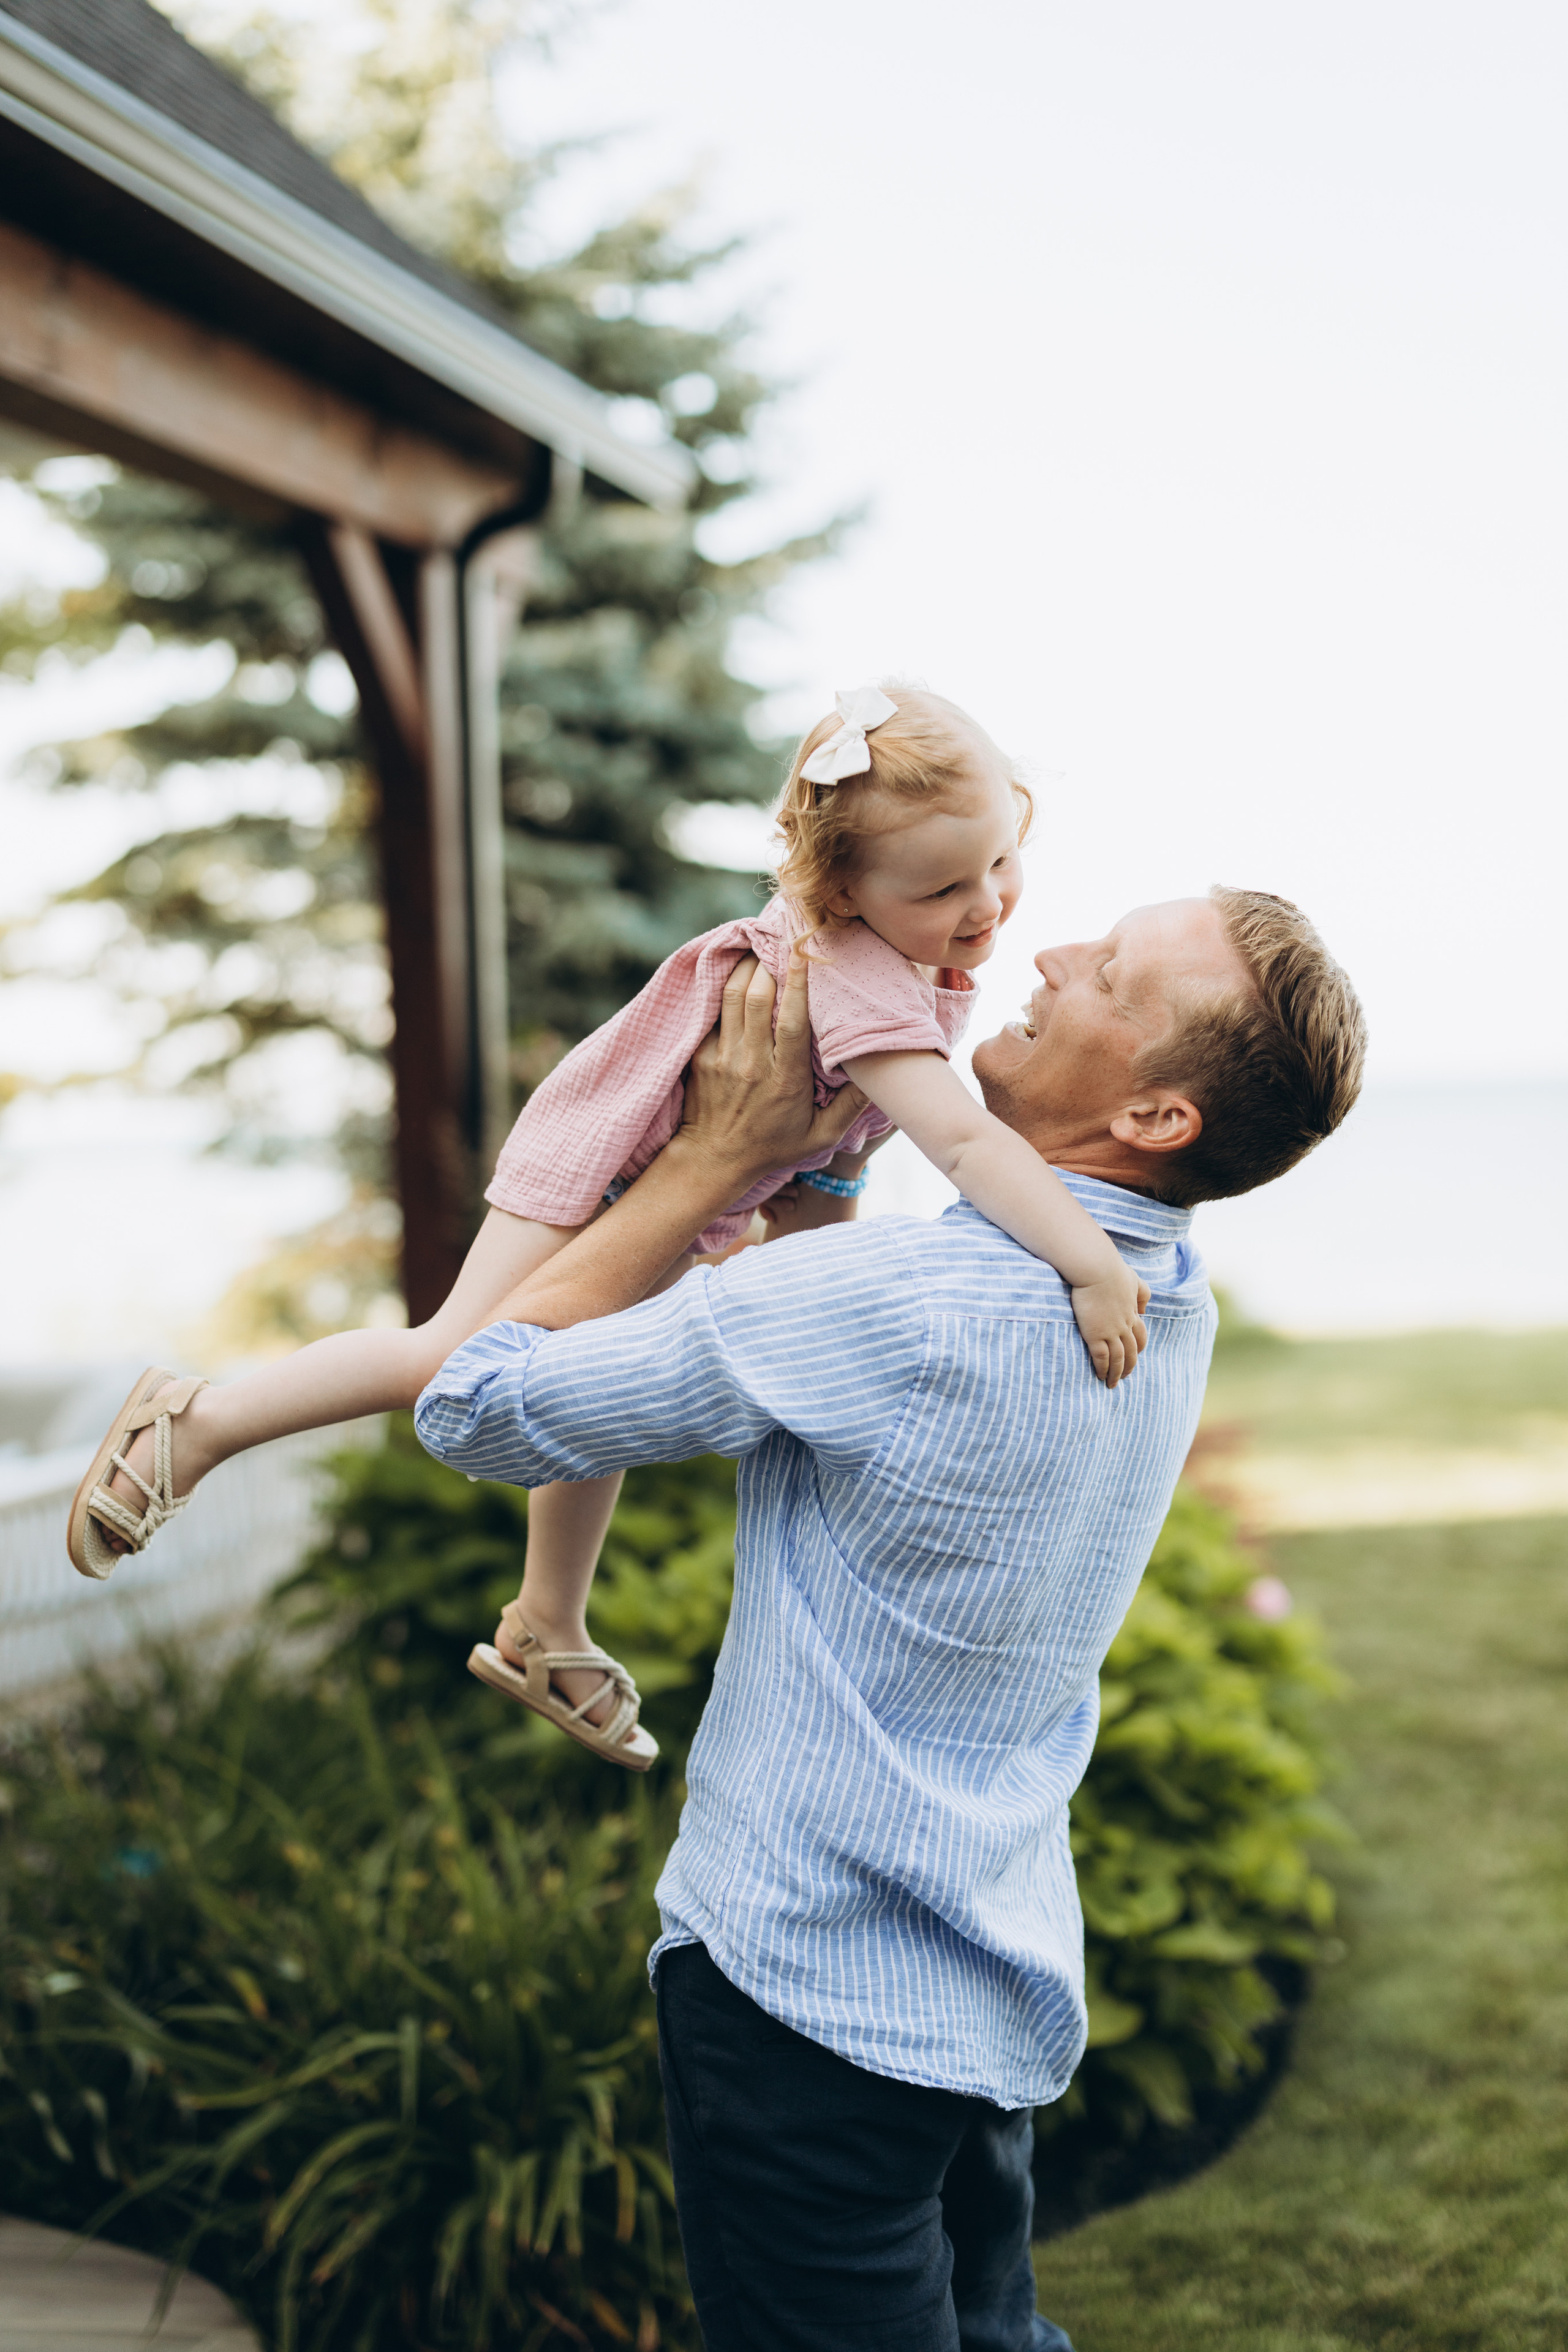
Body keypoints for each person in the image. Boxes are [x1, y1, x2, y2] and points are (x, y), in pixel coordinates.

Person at [411, 887, 1368, 2352]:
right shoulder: (1161, 1298)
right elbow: (847, 1313)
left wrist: (705, 1164)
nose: (1045, 957)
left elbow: (474, 1403)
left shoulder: (903, 1306)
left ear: (1161, 1117)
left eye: (1107, 976)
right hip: (979, 1989)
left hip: (800, 2000)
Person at [67, 687, 1149, 1770]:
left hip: (676, 1174)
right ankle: (199, 1422)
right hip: (608, 1158)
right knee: (452, 1352)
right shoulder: (859, 973)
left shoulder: (902, 950)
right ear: (843, 891)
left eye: (1000, 862)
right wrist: (1089, 1262)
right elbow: (964, 1146)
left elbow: (826, 1178)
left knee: (599, 1392)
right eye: (944, 888)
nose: (988, 906)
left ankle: (548, 1624)